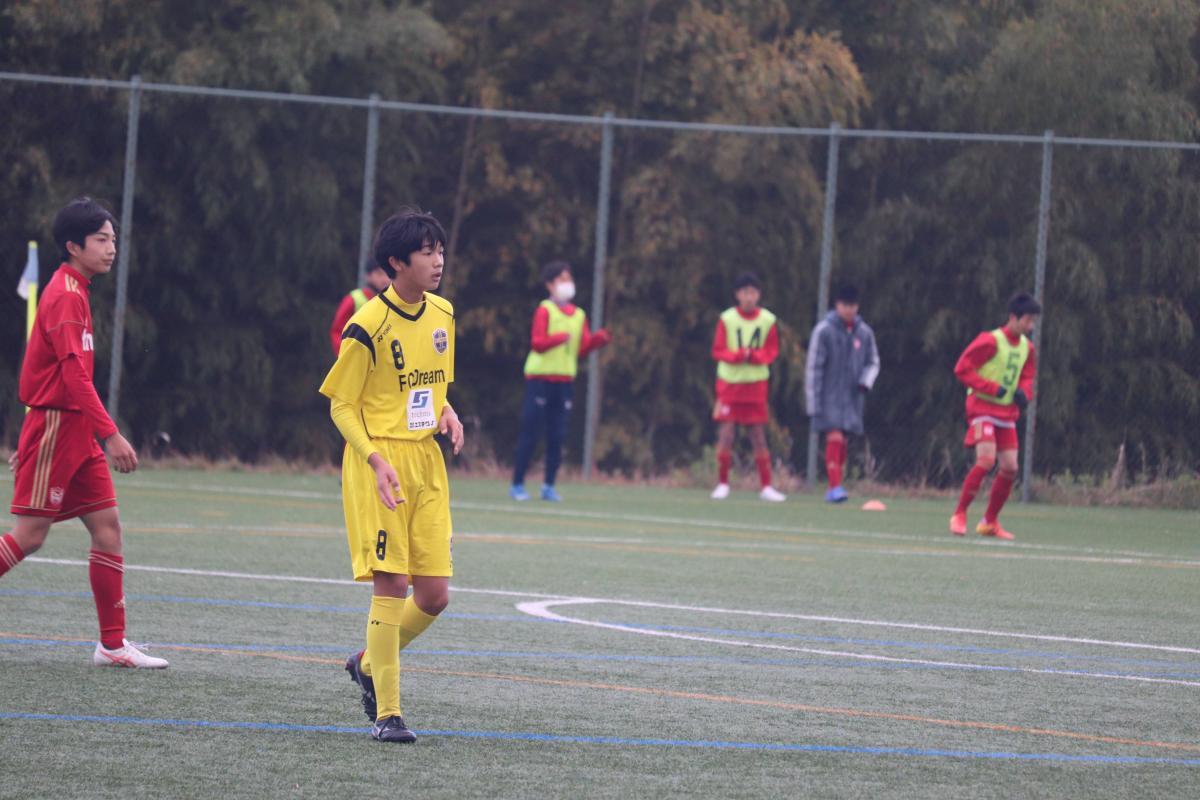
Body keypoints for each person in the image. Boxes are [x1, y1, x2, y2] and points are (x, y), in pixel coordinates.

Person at [0, 197, 167, 668]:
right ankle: (112, 644)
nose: (111, 248)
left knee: (107, 528)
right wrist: (110, 435)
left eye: (113, 239)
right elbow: (73, 378)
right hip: (58, 426)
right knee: (30, 536)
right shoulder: (65, 295)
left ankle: (112, 645)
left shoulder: (77, 288)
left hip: (71, 430)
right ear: (74, 246)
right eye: (101, 239)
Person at [319, 208, 464, 743]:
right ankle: (389, 714)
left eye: (440, 250)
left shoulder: (443, 312)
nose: (438, 260)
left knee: (434, 595)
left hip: (427, 461)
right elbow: (341, 405)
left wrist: (446, 411)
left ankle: (365, 663)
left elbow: (430, 385)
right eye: (427, 252)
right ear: (396, 262)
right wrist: (375, 459)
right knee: (392, 583)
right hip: (379, 462)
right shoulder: (367, 324)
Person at [509, 261, 611, 502]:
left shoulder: (579, 315)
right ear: (550, 285)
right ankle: (518, 484)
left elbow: (581, 349)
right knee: (531, 432)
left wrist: (597, 341)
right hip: (539, 380)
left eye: (569, 278)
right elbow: (537, 343)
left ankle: (549, 485)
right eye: (561, 279)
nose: (567, 283)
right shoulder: (545, 310)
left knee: (557, 435)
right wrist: (557, 339)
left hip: (564, 382)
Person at [949, 292, 1041, 540]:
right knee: (987, 460)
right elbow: (962, 369)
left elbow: (1028, 376)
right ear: (1013, 317)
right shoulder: (990, 341)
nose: (1031, 326)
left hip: (1006, 413)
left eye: (1033, 321)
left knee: (1010, 467)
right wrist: (990, 388)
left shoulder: (1027, 348)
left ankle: (989, 522)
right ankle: (959, 514)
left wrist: (1024, 392)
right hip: (982, 409)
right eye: (1028, 320)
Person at [710, 272, 786, 502]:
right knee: (726, 433)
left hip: (755, 386)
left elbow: (772, 351)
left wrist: (753, 356)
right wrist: (737, 356)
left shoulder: (768, 320)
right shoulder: (727, 318)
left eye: (753, 292)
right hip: (730, 385)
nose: (749, 297)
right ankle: (722, 483)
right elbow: (718, 350)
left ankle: (766, 486)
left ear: (759, 295)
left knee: (758, 435)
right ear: (737, 295)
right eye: (745, 292)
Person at [805, 285, 881, 503]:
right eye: (845, 305)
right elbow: (813, 367)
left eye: (853, 305)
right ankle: (834, 486)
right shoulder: (824, 331)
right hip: (827, 397)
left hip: (852, 399)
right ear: (837, 305)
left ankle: (834, 485)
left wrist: (866, 381)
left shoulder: (864, 333)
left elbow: (873, 362)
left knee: (843, 443)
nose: (849, 310)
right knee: (834, 437)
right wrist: (812, 402)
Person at [329, 261, 392, 356]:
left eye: (387, 274)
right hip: (356, 358)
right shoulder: (353, 299)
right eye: (379, 274)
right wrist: (346, 356)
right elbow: (337, 331)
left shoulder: (393, 301)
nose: (385, 279)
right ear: (368, 276)